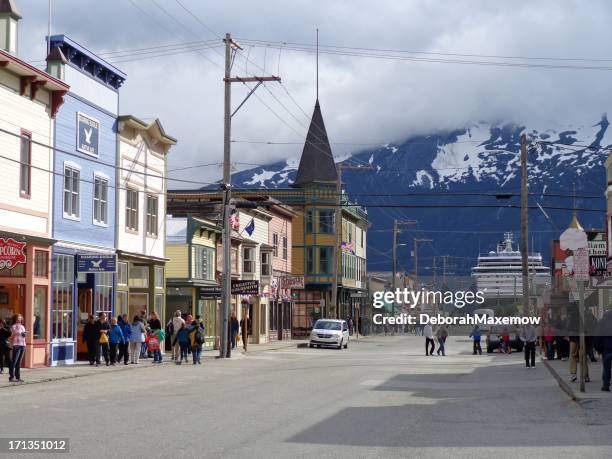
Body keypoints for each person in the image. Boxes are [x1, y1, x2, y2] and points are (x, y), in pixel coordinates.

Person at [594, 310, 612, 392]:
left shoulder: (602, 322)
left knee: (606, 367)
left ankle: (606, 385)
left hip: (606, 348)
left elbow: (597, 336)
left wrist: (598, 348)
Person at [9, 314, 26, 382]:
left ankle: (18, 377)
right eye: (18, 318)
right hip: (16, 345)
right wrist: (16, 333)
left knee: (19, 362)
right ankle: (11, 377)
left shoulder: (22, 326)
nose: (19, 319)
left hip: (23, 345)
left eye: (20, 318)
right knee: (14, 362)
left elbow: (23, 336)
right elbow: (11, 336)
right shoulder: (13, 326)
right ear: (15, 319)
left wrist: (24, 334)